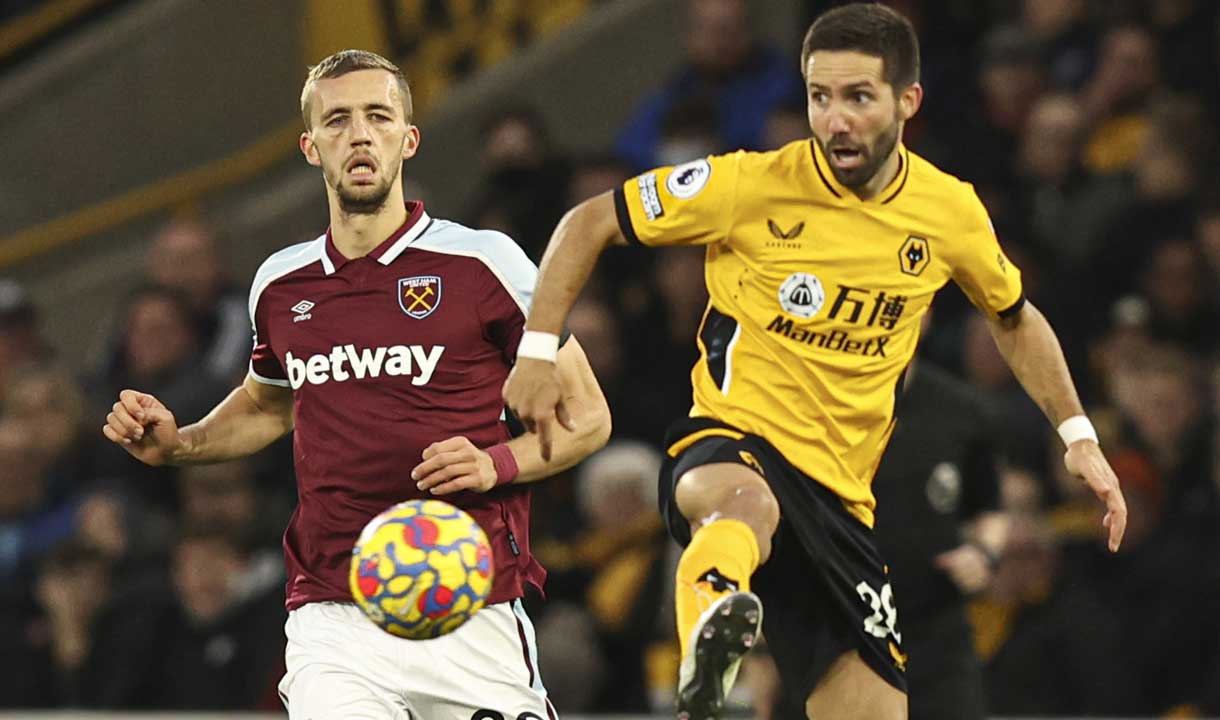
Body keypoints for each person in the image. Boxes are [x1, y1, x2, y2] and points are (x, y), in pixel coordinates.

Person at [502, 5, 1127, 720]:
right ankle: (712, 633)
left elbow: (1014, 319)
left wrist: (1079, 437)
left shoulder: (948, 210)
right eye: (819, 97)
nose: (834, 119)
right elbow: (588, 222)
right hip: (736, 444)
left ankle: (721, 621)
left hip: (843, 510)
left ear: (907, 101)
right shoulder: (747, 185)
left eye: (858, 97)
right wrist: (537, 350)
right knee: (743, 504)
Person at [102, 49, 611, 720]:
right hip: (334, 610)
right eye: (338, 120)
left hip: (468, 599)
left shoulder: (484, 264)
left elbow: (590, 419)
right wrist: (183, 444)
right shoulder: (282, 285)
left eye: (378, 115)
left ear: (408, 137)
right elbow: (268, 402)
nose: (360, 134)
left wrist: (497, 463)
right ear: (312, 147)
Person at [871, 359, 1010, 720]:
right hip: (844, 626)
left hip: (935, 629)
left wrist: (982, 555)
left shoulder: (961, 408)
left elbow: (991, 510)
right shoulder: (823, 402)